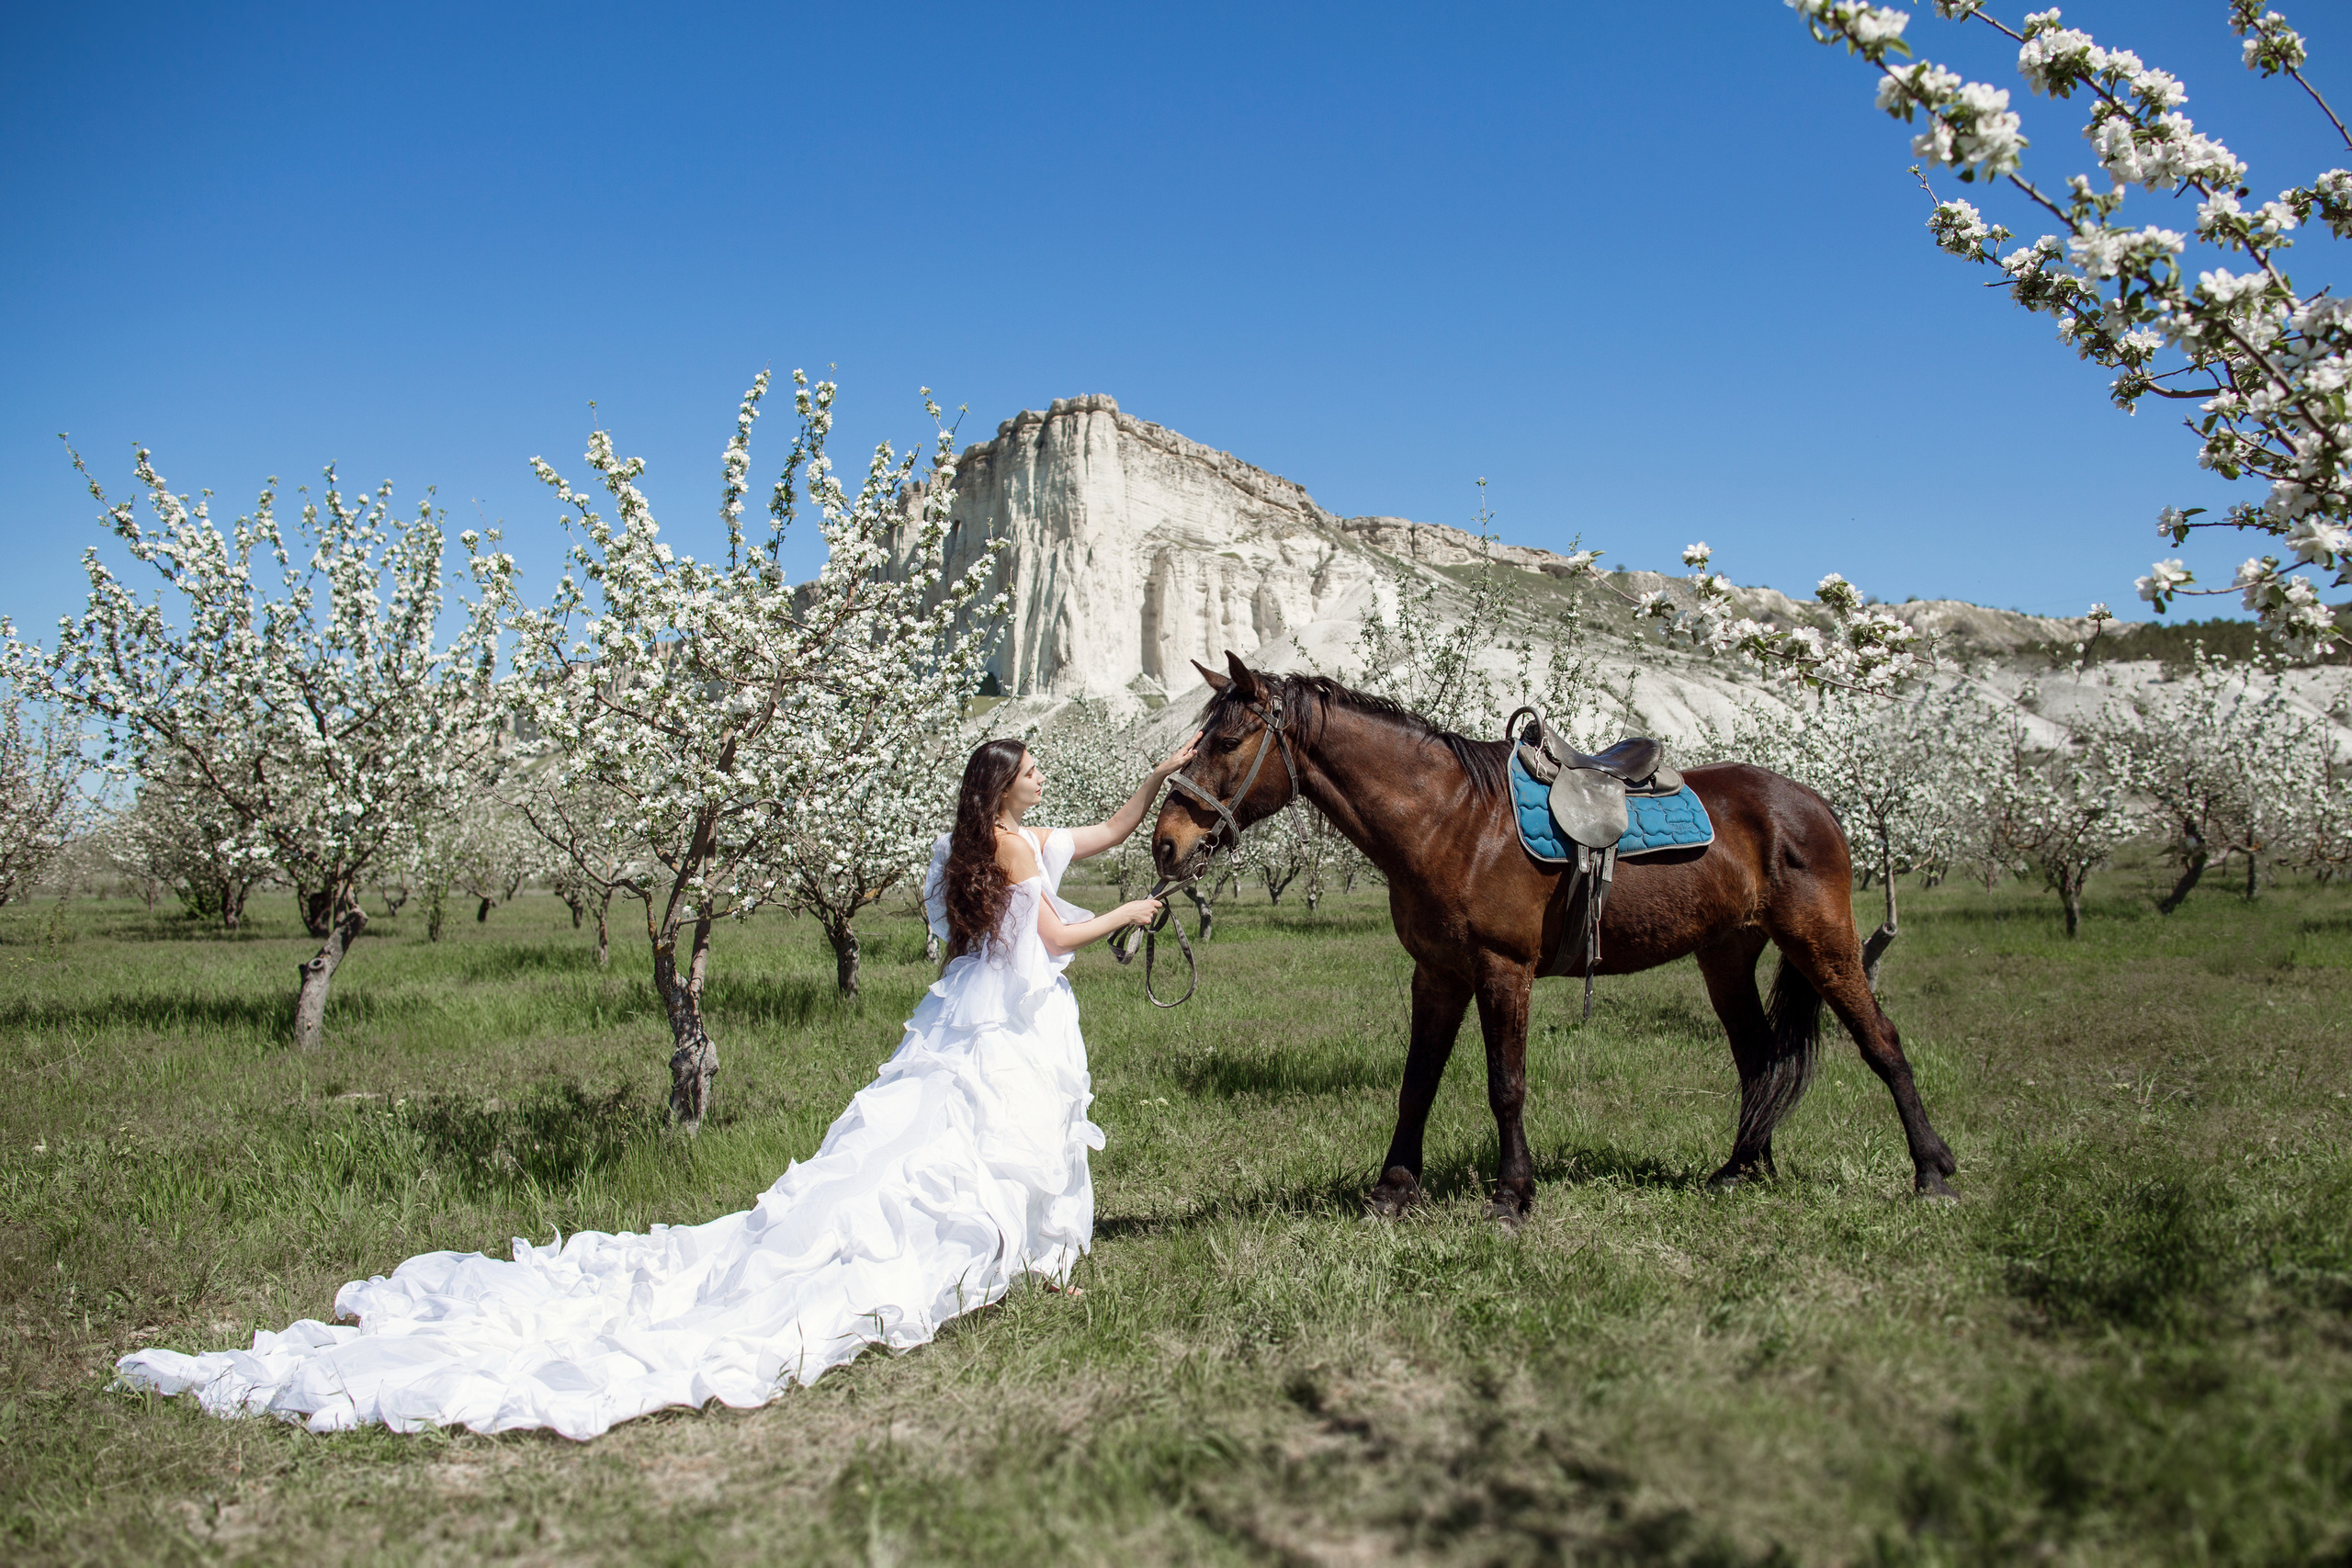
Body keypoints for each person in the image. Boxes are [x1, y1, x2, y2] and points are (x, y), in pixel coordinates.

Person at [114, 730, 1198, 1441]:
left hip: (992, 1013)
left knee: (999, 1136)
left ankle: (1029, 1261)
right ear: (1003, 788)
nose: (1043, 779)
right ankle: (1020, 1262)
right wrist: (1128, 915)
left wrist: (1160, 776)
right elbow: (1049, 936)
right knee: (989, 1136)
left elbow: (1105, 834)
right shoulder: (1006, 851)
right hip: (1007, 1016)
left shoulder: (1005, 840)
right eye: (1032, 770)